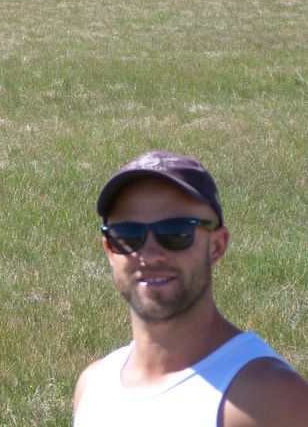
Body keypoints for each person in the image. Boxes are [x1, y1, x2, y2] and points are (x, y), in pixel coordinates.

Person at [72, 150, 308, 427]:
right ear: (109, 250)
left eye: (176, 232)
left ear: (217, 245)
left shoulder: (267, 398)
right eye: (127, 235)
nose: (149, 253)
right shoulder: (93, 387)